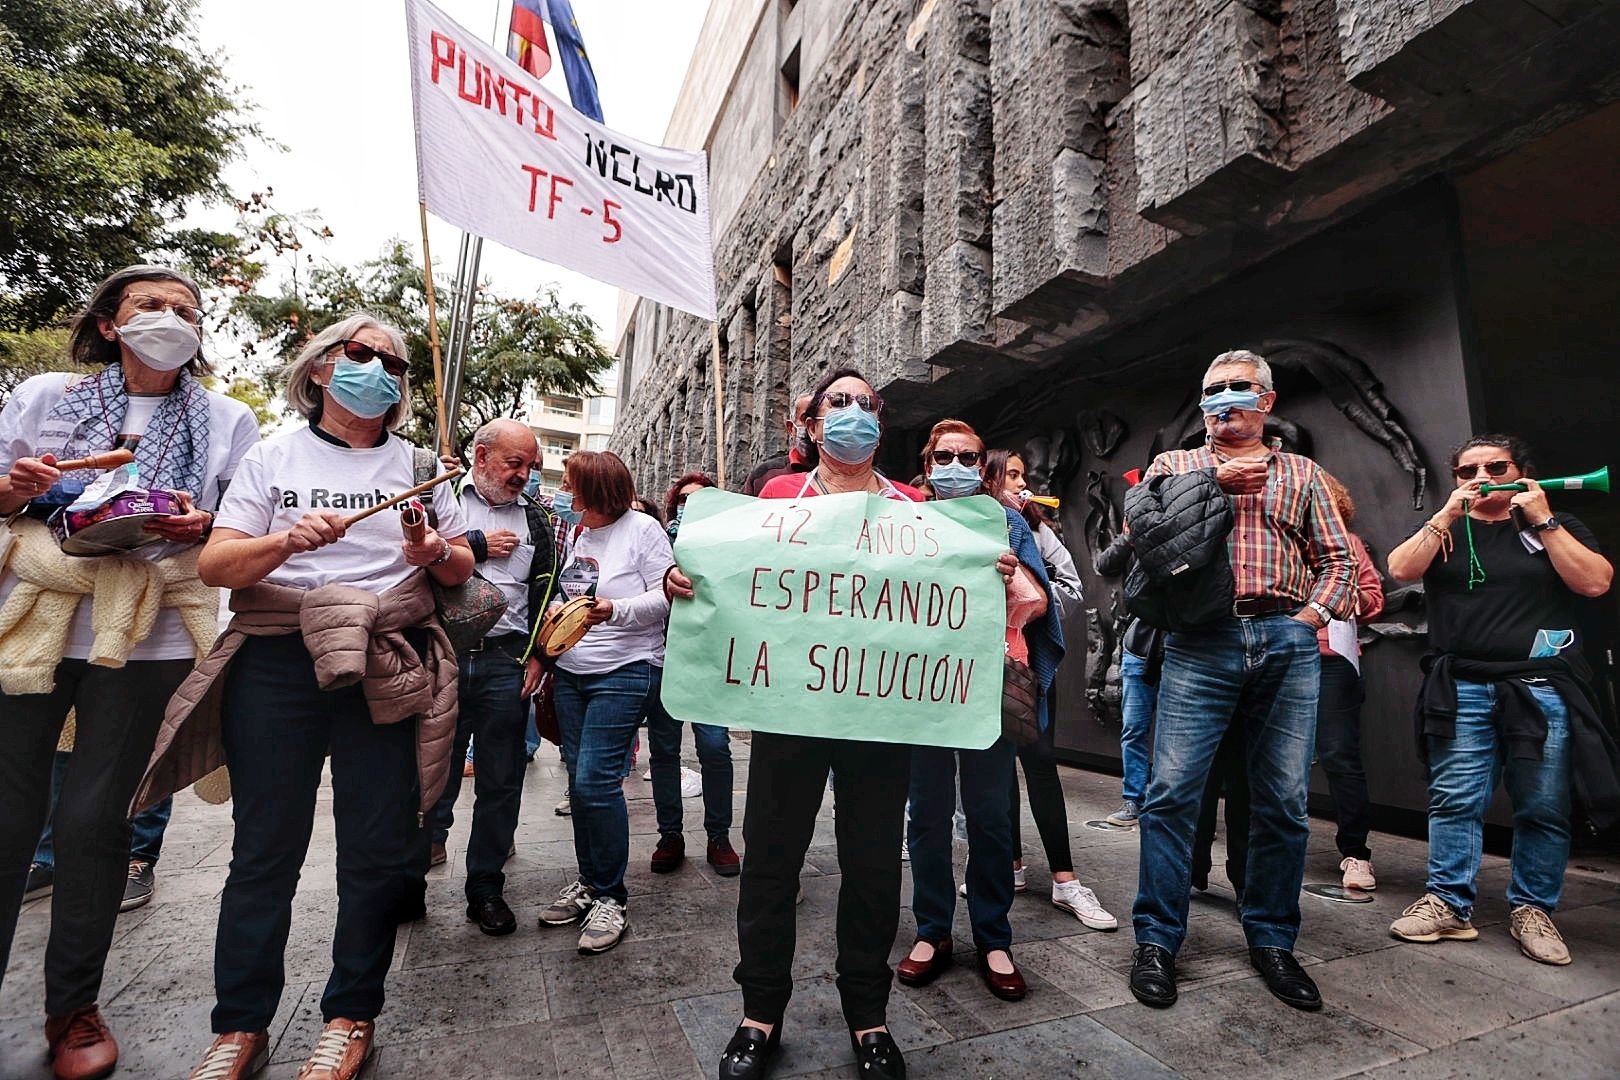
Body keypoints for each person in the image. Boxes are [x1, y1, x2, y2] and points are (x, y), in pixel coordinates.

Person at [139, 313, 471, 1080]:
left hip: (385, 661)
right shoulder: (272, 456)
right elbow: (219, 565)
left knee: (378, 848)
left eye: (394, 362)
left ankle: (352, 1013)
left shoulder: (421, 466)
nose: (380, 370)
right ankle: (240, 1024)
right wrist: (286, 541)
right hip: (279, 661)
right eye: (361, 355)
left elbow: (455, 570)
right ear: (320, 368)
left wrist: (433, 552)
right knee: (264, 849)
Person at [667, 368, 1018, 1080]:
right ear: (810, 422)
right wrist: (688, 578)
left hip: (881, 721)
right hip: (789, 717)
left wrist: (992, 573)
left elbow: (952, 593)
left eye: (867, 404)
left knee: (868, 866)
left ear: (881, 425)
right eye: (839, 402)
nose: (854, 414)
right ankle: (758, 1013)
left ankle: (869, 1016)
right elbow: (734, 580)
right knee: (770, 862)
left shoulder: (917, 507)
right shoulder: (775, 498)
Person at [0, 264, 259, 1080]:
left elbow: (233, 526)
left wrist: (200, 523)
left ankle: (73, 1007)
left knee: (92, 823)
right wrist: (15, 489)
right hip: (32, 630)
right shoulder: (45, 396)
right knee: (7, 821)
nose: (171, 317)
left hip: (146, 642)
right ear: (110, 324)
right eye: (151, 305)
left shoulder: (227, 419)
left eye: (187, 309)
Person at [1127, 349, 1355, 1014]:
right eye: (1213, 390)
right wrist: (1217, 485)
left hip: (1285, 638)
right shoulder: (1175, 466)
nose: (1226, 399)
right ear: (1201, 405)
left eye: (1240, 388)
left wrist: (1308, 618)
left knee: (1282, 802)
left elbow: (1337, 560)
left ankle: (1274, 941)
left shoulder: (1305, 474)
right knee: (1170, 796)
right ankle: (1156, 942)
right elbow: (1143, 534)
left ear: (1268, 402)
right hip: (1201, 641)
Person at [1385, 435, 1612, 966]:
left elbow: (1596, 583)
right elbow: (1400, 569)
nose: (1481, 476)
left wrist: (1544, 519)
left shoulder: (1552, 526)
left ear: (1520, 472)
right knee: (1455, 798)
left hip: (1538, 687)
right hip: (1462, 684)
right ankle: (1447, 902)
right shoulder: (1447, 527)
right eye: (1468, 470)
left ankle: (1533, 908)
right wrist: (1445, 513)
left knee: (1543, 804)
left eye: (1495, 466)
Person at [897, 424, 1071, 1006]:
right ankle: (933, 931)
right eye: (943, 455)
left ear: (980, 465)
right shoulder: (901, 519)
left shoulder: (1007, 522)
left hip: (987, 685)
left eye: (966, 456)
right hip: (920, 688)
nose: (954, 464)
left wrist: (1009, 574)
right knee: (925, 814)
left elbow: (1039, 601)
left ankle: (995, 938)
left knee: (991, 816)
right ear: (928, 461)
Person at [536, 451, 675, 955]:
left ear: (597, 490)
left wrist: (613, 610)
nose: (566, 495)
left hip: (623, 670)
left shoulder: (642, 529)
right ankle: (590, 885)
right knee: (579, 781)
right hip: (571, 673)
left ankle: (612, 896)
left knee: (596, 781)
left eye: (573, 487)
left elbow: (666, 596)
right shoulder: (576, 534)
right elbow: (564, 591)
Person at [425, 419, 555, 935]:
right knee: (433, 772)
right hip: (443, 658)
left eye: (531, 466)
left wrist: (539, 656)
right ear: (480, 457)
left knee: (502, 780)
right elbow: (411, 560)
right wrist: (474, 545)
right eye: (513, 463)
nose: (523, 475)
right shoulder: (440, 499)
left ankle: (485, 888)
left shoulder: (539, 520)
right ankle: (413, 871)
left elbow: (548, 588)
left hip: (507, 662)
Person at [978, 450, 1115, 928]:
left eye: (1024, 475)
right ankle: (1011, 866)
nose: (1021, 484)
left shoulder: (1039, 531)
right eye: (1011, 475)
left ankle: (1065, 880)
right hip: (981, 667)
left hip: (1030, 665)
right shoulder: (971, 525)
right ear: (989, 479)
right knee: (995, 773)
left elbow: (1073, 587)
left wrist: (1031, 595)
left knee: (1040, 766)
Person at [647, 471, 737, 876]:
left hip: (708, 663)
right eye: (684, 499)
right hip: (665, 662)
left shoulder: (730, 546)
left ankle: (719, 836)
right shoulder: (656, 545)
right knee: (664, 752)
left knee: (715, 749)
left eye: (701, 500)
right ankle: (671, 835)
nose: (690, 506)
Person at [1314, 471, 1385, 891]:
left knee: (1340, 756)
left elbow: (1373, 598)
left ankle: (1356, 854)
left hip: (1331, 659)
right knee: (1258, 758)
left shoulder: (1347, 542)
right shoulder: (1267, 539)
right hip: (1272, 658)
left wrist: (1341, 595)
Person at [1094, 525, 1159, 827]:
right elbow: (1104, 564)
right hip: (1139, 642)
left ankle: (1179, 809)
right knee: (1134, 727)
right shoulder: (1138, 530)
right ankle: (1134, 799)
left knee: (1180, 735)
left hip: (1181, 643)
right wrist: (1130, 534)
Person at [741, 393, 813, 496]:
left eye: (819, 419)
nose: (812, 427)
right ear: (791, 428)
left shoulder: (840, 474)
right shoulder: (765, 476)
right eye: (805, 419)